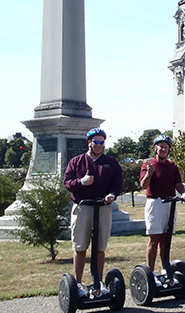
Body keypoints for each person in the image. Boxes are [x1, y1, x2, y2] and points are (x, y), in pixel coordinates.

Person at [63, 127, 123, 298]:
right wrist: (82, 181)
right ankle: (79, 283)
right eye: (95, 142)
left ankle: (99, 282)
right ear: (89, 142)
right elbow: (67, 182)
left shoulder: (111, 162)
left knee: (100, 247)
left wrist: (112, 194)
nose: (98, 145)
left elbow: (118, 182)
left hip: (103, 208)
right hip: (83, 208)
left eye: (102, 142)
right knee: (80, 246)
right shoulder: (77, 161)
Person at [139, 134, 185, 286]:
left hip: (170, 203)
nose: (163, 149)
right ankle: (151, 273)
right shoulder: (148, 164)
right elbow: (143, 185)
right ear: (155, 148)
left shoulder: (172, 165)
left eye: (166, 147)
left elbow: (178, 184)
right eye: (161, 146)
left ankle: (165, 270)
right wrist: (149, 173)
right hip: (155, 203)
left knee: (166, 239)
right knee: (154, 239)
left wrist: (183, 193)